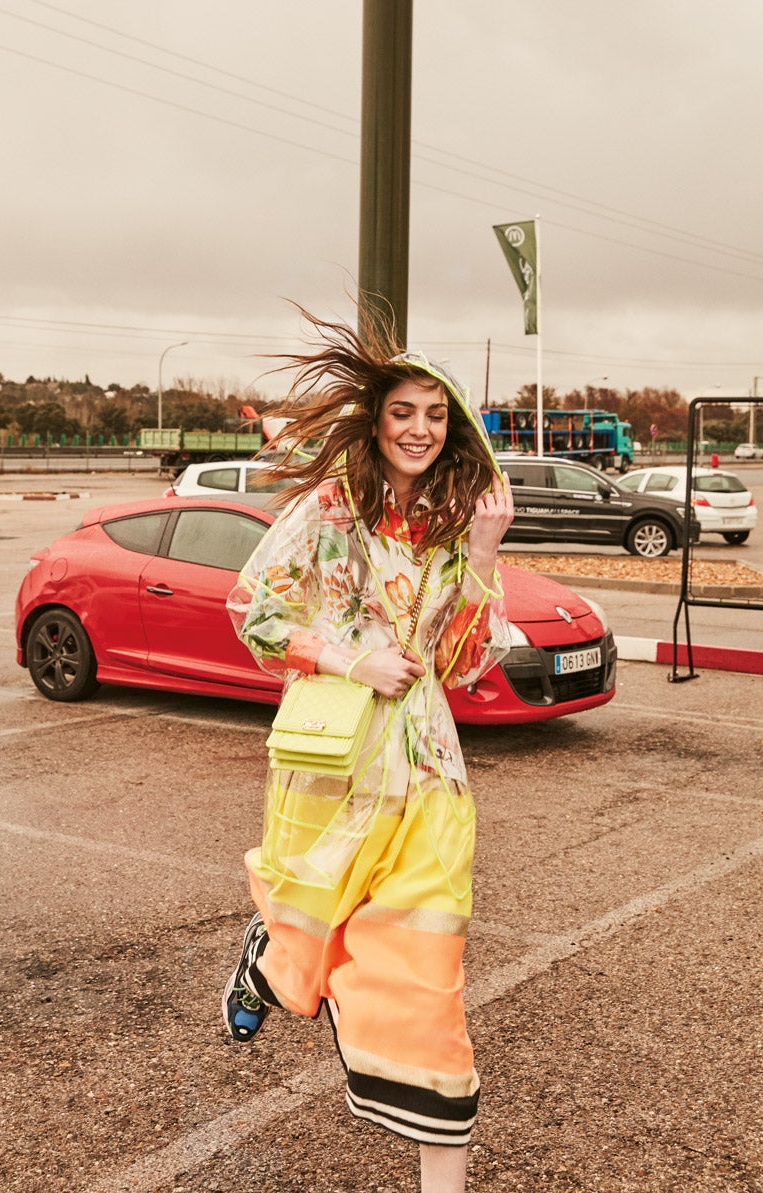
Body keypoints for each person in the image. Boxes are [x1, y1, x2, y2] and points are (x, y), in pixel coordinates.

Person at [222, 309, 515, 1193]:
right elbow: (253, 611)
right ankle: (265, 959)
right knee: (308, 944)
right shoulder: (329, 510)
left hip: (429, 780)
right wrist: (354, 655)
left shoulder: (463, 521)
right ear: (377, 422)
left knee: (430, 986)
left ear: (455, 424)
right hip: (335, 772)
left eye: (436, 413)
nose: (420, 428)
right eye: (403, 413)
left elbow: (463, 663)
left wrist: (486, 554)